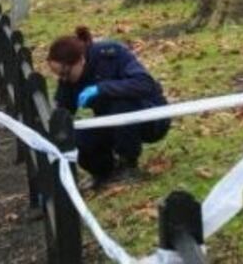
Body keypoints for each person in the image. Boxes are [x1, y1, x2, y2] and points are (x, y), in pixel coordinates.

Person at [47, 27, 170, 187]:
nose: (64, 79)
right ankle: (103, 172)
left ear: (80, 60)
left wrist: (102, 88)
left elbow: (145, 84)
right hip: (109, 122)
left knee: (120, 104)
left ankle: (129, 164)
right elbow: (63, 111)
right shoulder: (68, 79)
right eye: (59, 76)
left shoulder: (111, 54)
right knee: (80, 137)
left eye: (66, 73)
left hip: (149, 116)